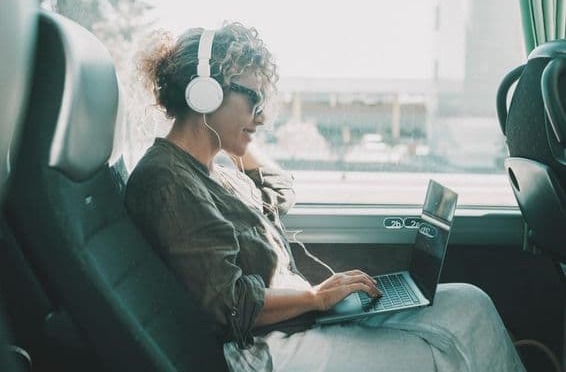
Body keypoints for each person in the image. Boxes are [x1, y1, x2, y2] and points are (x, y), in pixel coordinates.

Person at [125, 23, 525, 371]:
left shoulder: (217, 171)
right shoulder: (167, 182)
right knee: (438, 355)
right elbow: (232, 305)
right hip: (261, 349)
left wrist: (236, 131)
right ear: (206, 95)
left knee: (470, 305)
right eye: (255, 100)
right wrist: (316, 297)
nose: (263, 118)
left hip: (294, 322)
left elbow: (280, 189)